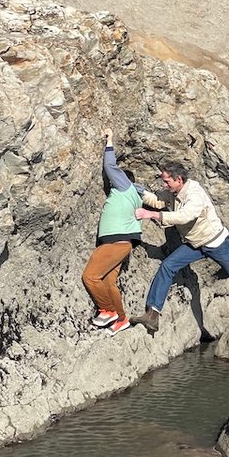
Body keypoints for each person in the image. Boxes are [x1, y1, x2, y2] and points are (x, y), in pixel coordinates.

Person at [134, 162, 229, 335]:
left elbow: (185, 215)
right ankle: (153, 314)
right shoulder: (172, 192)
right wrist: (137, 190)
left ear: (179, 179)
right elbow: (158, 200)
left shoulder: (194, 193)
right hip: (195, 244)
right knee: (168, 266)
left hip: (216, 243)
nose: (164, 185)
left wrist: (151, 214)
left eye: (167, 181)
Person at [81, 129, 142, 335]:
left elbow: (110, 166)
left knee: (90, 276)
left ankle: (107, 311)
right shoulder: (135, 194)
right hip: (123, 244)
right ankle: (122, 319)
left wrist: (109, 140)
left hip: (115, 242)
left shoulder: (124, 186)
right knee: (108, 281)